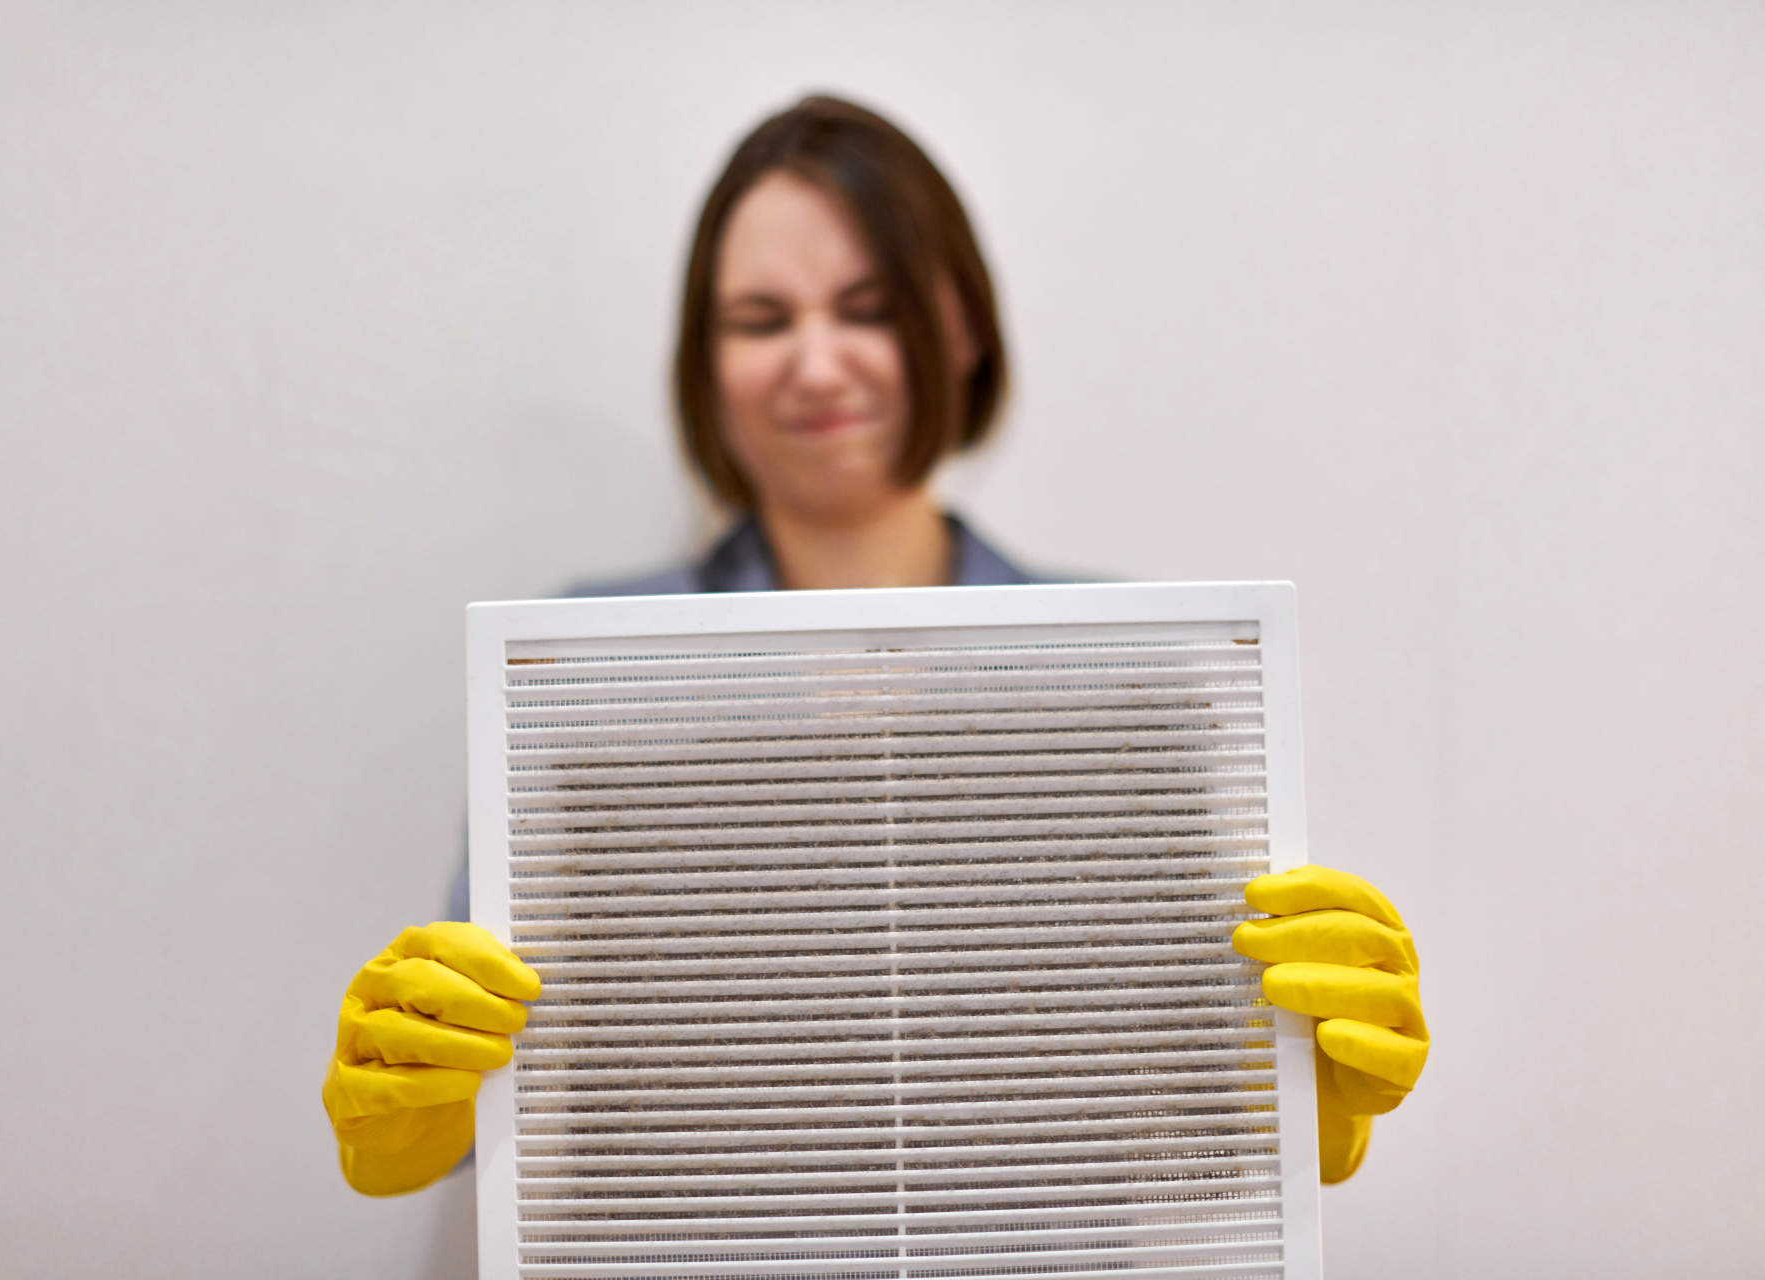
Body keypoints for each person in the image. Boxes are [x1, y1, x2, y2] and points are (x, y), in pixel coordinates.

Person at [320, 93, 1428, 1200]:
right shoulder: (574, 677)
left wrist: (1290, 1090)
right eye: (761, 320)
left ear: (962, 329)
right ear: (707, 363)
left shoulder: (1125, 671)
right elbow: (486, 1082)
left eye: (870, 309)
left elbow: (1179, 1099)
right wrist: (419, 1095)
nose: (817, 365)